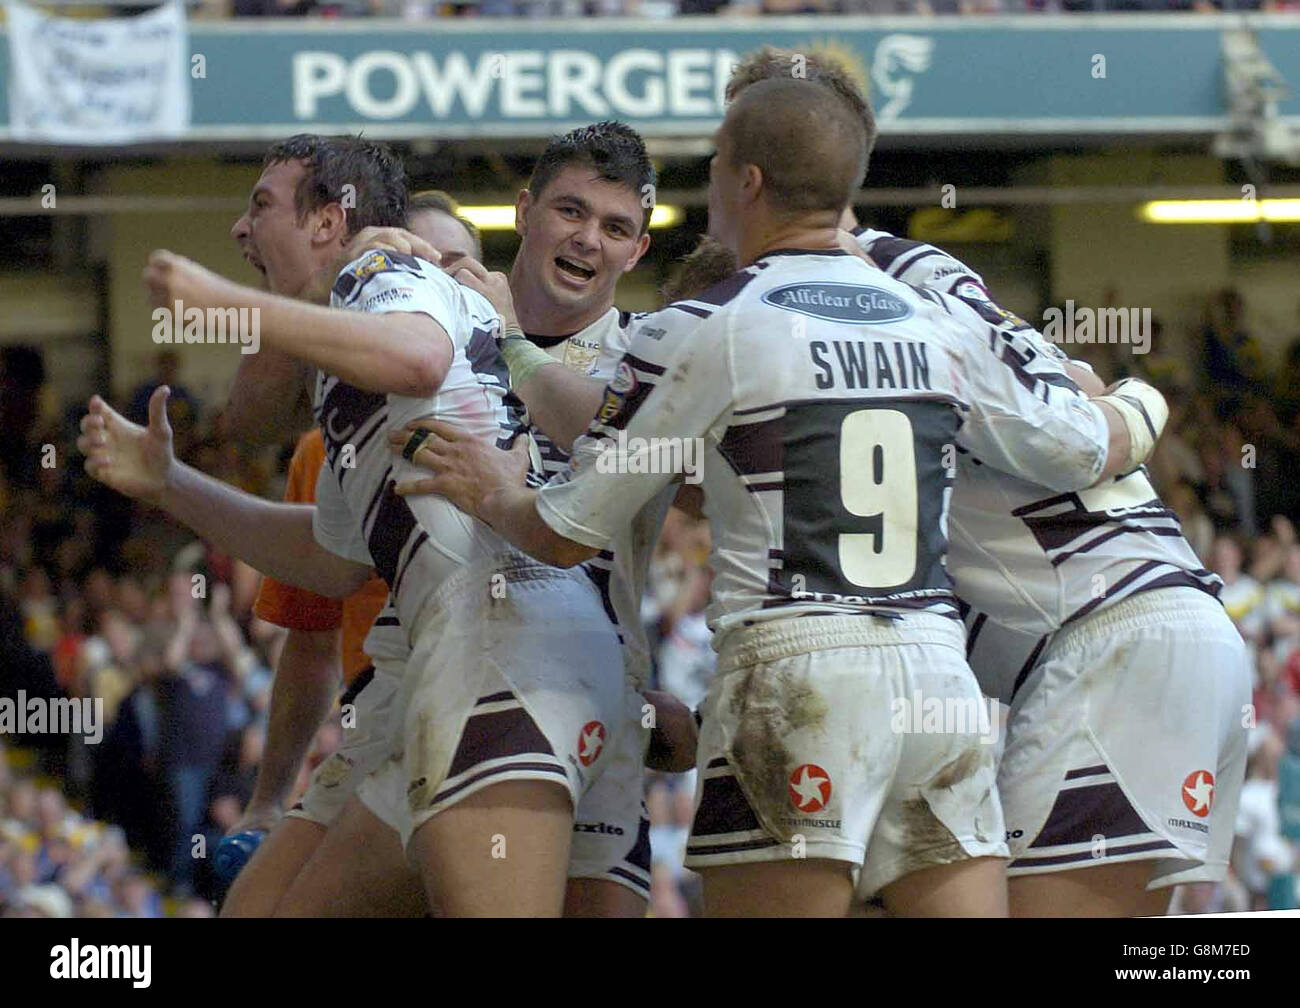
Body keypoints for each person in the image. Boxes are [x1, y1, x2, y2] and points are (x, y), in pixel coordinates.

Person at [400, 77, 1165, 916]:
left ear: (748, 180)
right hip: (938, 685)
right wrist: (1145, 399)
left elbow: (567, 531)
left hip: (795, 680)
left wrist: (493, 490)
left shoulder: (703, 324)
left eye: (719, 160)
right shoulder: (934, 318)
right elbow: (1082, 443)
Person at [718, 44, 1252, 919]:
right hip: (1138, 629)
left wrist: (1137, 408)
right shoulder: (883, 276)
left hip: (1108, 633)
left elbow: (1063, 435)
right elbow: (1057, 389)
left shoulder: (876, 287)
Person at [78, 133, 626, 917]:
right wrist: (171, 484)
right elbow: (334, 560)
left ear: (333, 220)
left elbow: (416, 360)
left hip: (503, 641)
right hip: (451, 653)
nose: (240, 229)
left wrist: (223, 304)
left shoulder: (383, 265)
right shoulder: (347, 367)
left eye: (260, 205)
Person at [219, 191, 484, 918]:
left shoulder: (531, 406)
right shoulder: (328, 443)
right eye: (402, 265)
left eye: (445, 266)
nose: (420, 283)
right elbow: (307, 640)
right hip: (380, 717)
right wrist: (268, 798)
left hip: (494, 698)